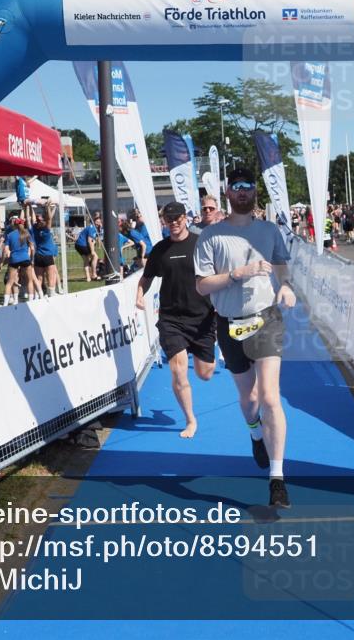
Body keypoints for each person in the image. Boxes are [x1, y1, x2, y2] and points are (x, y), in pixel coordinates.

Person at [194, 168, 297, 508]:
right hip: (229, 323)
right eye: (236, 187)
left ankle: (277, 480)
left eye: (247, 187)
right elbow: (202, 285)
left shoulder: (269, 230)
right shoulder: (211, 236)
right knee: (249, 399)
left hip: (266, 318)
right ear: (227, 193)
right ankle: (255, 433)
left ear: (255, 192)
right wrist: (237, 274)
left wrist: (286, 287)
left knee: (269, 396)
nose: (242, 192)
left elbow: (282, 266)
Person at [136, 202, 217, 438]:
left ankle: (204, 357)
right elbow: (147, 277)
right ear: (164, 221)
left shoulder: (201, 244)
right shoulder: (160, 249)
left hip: (202, 318)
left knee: (205, 373)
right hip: (172, 319)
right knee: (178, 370)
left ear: (185, 218)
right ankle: (190, 420)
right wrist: (139, 295)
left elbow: (217, 274)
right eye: (168, 219)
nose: (173, 223)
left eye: (177, 218)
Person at [3, 218, 40, 305]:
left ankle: (5, 303)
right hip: (25, 258)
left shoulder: (9, 235)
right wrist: (31, 259)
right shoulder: (26, 233)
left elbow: (6, 250)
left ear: (14, 225)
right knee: (29, 280)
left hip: (14, 259)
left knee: (9, 282)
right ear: (23, 224)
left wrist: (7, 256)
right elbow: (32, 248)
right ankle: (31, 301)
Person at [32, 202, 61, 297]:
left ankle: (38, 295)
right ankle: (51, 293)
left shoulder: (35, 229)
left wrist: (29, 207)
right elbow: (49, 218)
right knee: (51, 276)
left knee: (39, 278)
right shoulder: (46, 229)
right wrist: (48, 207)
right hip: (47, 255)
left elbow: (47, 218)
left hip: (38, 256)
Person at [75, 214, 101, 282]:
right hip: (82, 245)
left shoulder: (94, 228)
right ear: (94, 221)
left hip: (78, 245)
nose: (99, 222)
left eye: (99, 221)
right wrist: (92, 251)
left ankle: (88, 278)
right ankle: (94, 275)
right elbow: (90, 240)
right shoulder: (92, 228)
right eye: (97, 221)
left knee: (86, 260)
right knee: (95, 257)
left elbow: (94, 239)